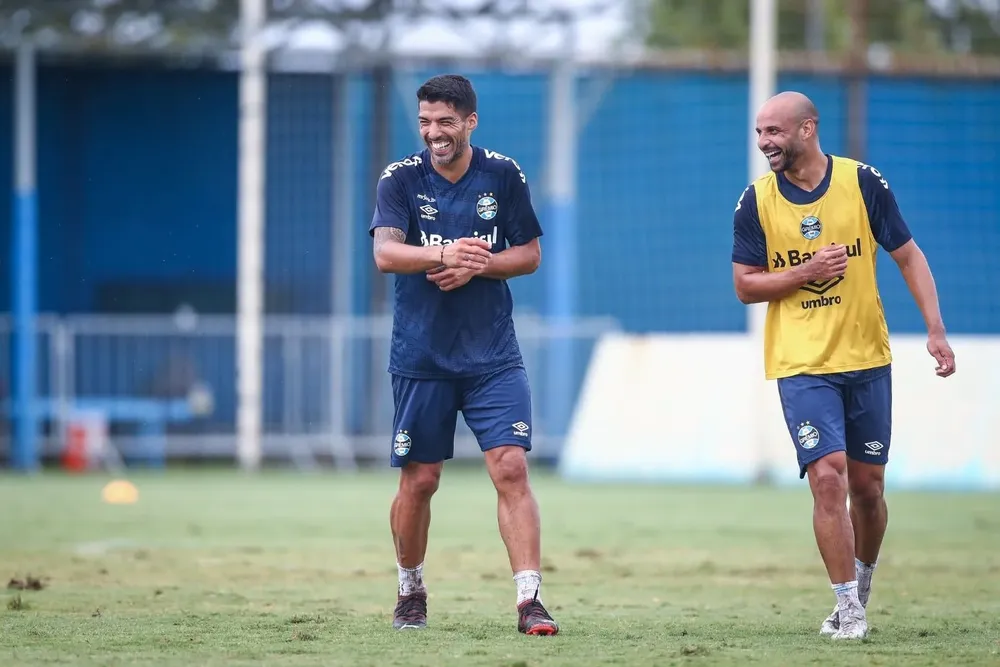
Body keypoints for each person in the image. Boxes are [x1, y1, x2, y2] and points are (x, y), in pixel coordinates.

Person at [730, 91, 956, 640]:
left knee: (869, 489)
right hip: (801, 363)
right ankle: (847, 607)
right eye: (760, 133)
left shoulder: (862, 182)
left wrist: (935, 329)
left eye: (774, 132)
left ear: (807, 129)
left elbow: (908, 254)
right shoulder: (755, 201)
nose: (765, 143)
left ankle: (862, 577)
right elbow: (744, 285)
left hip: (866, 358)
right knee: (827, 479)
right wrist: (805, 272)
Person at [369, 74, 559, 636]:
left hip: (491, 355)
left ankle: (530, 601)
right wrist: (444, 252)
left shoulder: (502, 174)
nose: (434, 133)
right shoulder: (399, 178)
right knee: (421, 480)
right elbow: (384, 253)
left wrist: (481, 263)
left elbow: (528, 254)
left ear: (470, 122)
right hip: (422, 354)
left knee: (511, 466)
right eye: (426, 122)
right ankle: (410, 587)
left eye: (445, 122)